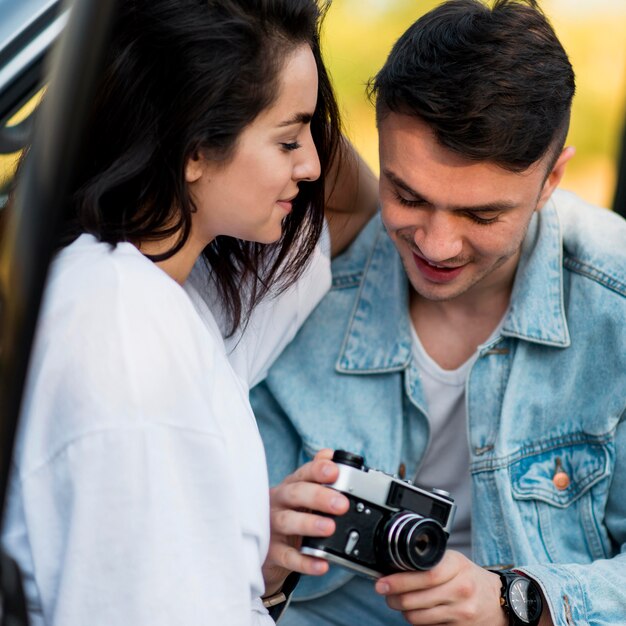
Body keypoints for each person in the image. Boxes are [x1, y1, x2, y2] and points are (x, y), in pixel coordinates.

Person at [0, 0, 376, 624]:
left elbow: (353, 205)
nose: (311, 165)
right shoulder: (128, 341)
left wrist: (251, 564)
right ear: (195, 147)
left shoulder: (172, 294)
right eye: (288, 139)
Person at [250, 0, 626, 625]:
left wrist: (519, 602)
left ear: (553, 179)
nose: (436, 245)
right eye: (407, 195)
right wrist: (256, 552)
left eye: (482, 215)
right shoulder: (297, 285)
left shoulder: (614, 305)